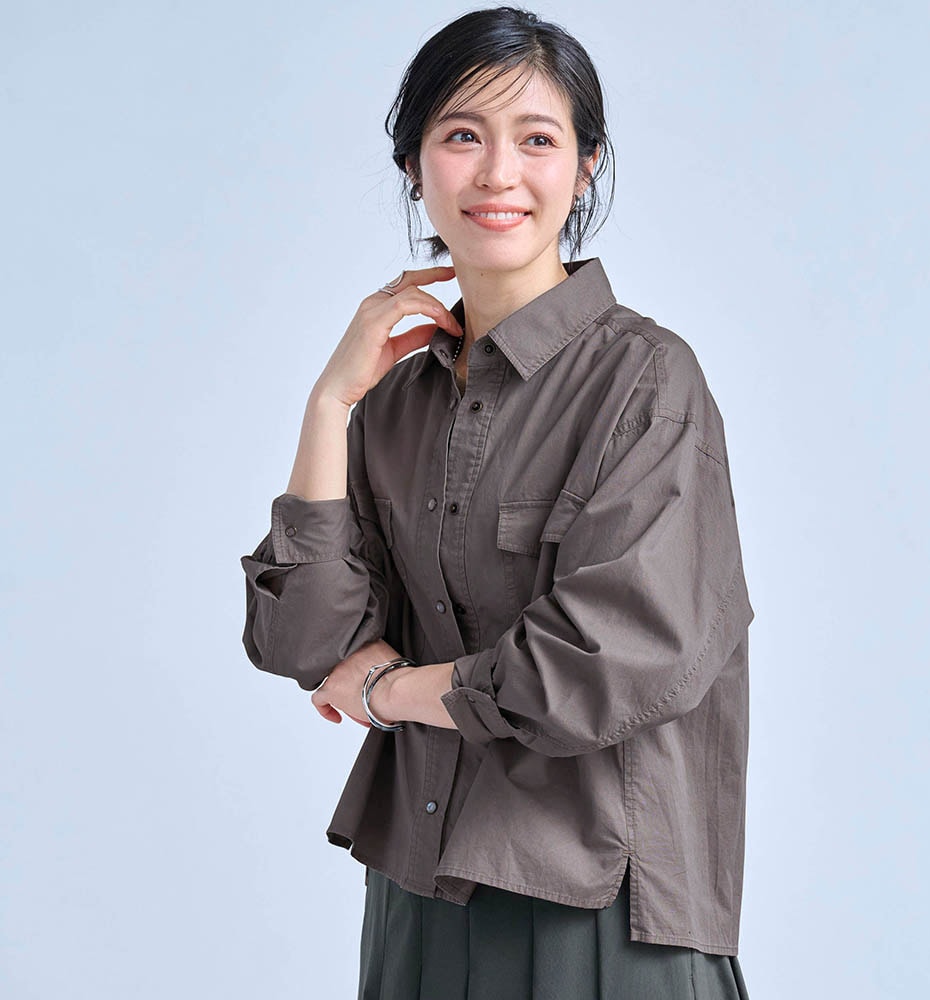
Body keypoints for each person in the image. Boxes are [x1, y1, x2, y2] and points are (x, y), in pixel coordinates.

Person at [241, 7, 754, 998]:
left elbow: (597, 666)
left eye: (538, 139)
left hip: (597, 913)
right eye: (463, 135)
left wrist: (389, 692)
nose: (498, 173)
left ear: (587, 165)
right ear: (414, 164)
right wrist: (329, 404)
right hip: (420, 902)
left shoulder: (646, 382)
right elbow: (303, 640)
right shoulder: (390, 400)